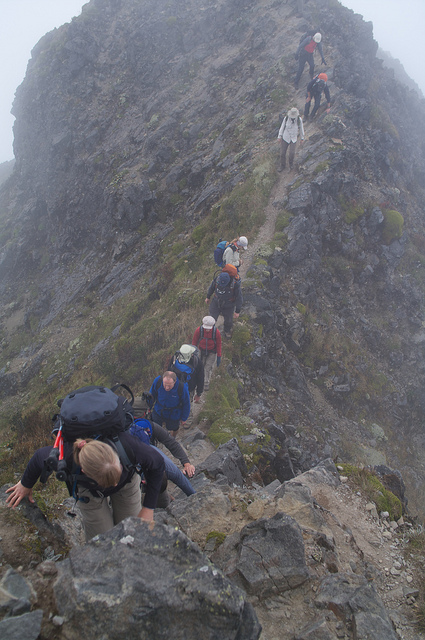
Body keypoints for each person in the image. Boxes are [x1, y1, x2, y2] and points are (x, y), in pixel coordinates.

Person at [6, 435, 165, 541]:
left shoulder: (126, 445)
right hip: (90, 492)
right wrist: (25, 484)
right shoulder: (68, 458)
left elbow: (158, 463)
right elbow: (39, 457)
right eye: (108, 481)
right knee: (103, 540)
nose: (114, 484)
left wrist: (149, 507)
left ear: (114, 455)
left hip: (128, 484)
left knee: (133, 532)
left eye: (118, 472)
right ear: (84, 471)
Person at [131, 418, 196, 497]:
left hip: (146, 457)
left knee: (160, 496)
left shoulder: (171, 470)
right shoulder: (128, 461)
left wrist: (186, 464)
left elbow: (171, 443)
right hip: (131, 459)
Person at [149, 371, 191, 437]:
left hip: (174, 414)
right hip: (158, 410)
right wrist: (148, 408)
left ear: (174, 382)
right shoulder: (158, 381)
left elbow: (186, 404)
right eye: (165, 384)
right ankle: (154, 441)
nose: (166, 388)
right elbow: (151, 396)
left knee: (174, 428)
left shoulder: (182, 387)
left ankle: (172, 438)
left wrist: (184, 418)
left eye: (169, 385)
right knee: (154, 427)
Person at [205, 264, 243, 339]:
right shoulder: (217, 280)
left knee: (228, 320)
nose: (222, 286)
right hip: (216, 302)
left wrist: (237, 311)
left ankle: (227, 331)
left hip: (228, 305)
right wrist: (208, 297)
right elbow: (211, 288)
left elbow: (239, 298)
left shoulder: (234, 285)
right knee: (211, 318)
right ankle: (209, 332)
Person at [191, 316, 222, 391]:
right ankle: (198, 381)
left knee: (207, 368)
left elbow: (219, 344)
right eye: (206, 328)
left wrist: (219, 356)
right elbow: (194, 342)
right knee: (200, 366)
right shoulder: (199, 330)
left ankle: (205, 383)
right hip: (201, 350)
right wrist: (193, 353)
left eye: (209, 328)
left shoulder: (216, 332)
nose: (207, 330)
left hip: (212, 352)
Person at [277, 107, 305, 171]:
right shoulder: (286, 118)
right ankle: (282, 165)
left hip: (293, 138)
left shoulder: (299, 120)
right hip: (285, 137)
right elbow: (282, 127)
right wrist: (279, 136)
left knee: (292, 153)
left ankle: (291, 164)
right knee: (282, 153)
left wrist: (302, 138)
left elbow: (301, 129)